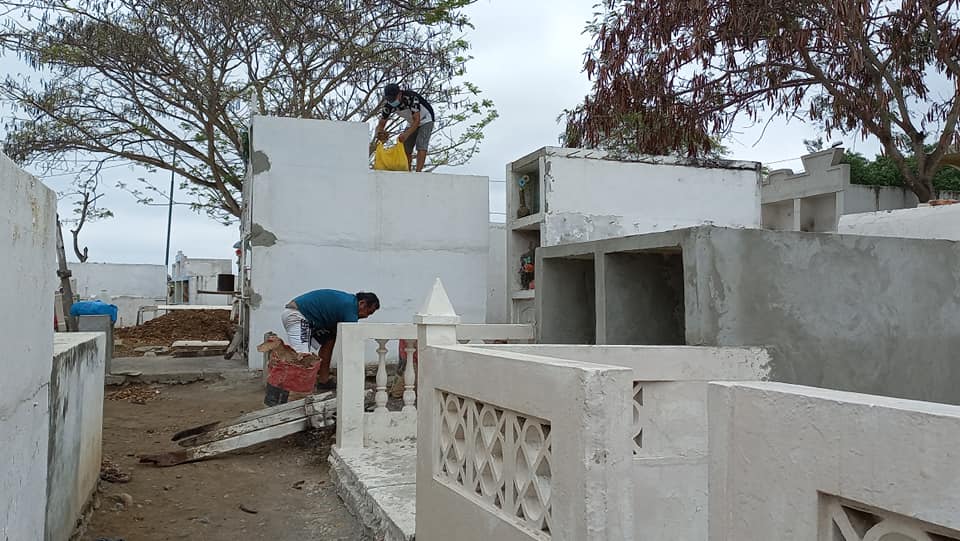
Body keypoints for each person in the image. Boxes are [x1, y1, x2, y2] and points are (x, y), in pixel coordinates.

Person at [282, 290, 380, 390]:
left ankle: (323, 380)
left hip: (307, 316)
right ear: (362, 303)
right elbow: (351, 339)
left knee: (329, 340)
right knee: (302, 355)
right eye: (368, 312)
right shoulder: (351, 307)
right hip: (298, 315)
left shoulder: (348, 302)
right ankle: (295, 389)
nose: (366, 316)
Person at [376, 83, 435, 172]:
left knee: (421, 144)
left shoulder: (411, 98)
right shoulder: (388, 105)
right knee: (405, 147)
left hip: (425, 119)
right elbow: (381, 124)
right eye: (389, 99)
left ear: (400, 94)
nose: (392, 101)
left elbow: (417, 120)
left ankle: (418, 172)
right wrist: (380, 133)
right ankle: (407, 171)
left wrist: (406, 134)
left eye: (393, 98)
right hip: (411, 121)